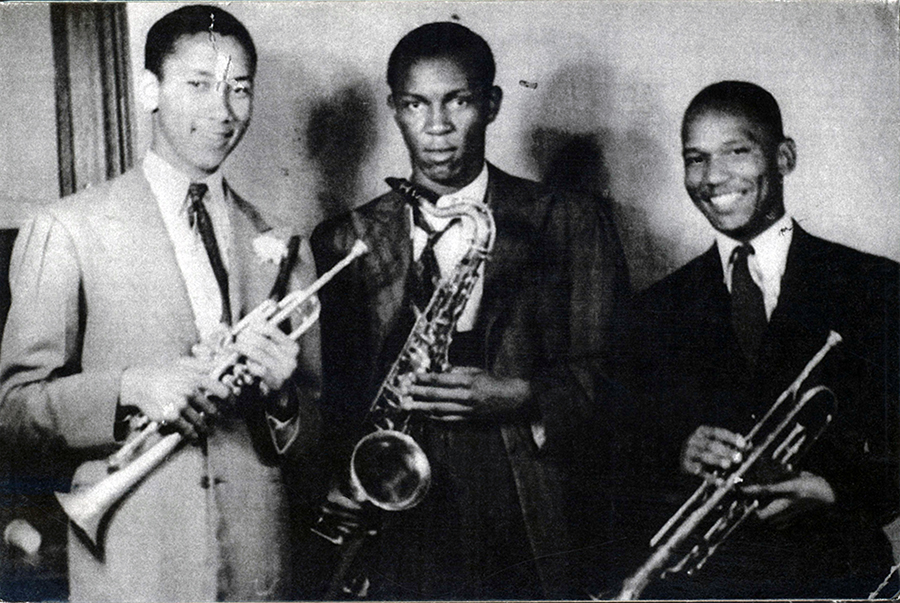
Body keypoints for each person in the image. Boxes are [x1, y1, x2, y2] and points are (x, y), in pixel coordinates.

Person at [0, 5, 321, 601]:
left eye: (239, 89)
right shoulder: (69, 229)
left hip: (258, 569)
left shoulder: (283, 244)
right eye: (199, 84)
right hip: (131, 562)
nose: (221, 112)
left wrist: (282, 396)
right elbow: (12, 412)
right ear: (150, 89)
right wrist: (128, 387)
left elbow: (313, 438)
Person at [309, 21, 629, 600]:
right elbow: (329, 394)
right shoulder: (343, 238)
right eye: (415, 105)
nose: (436, 128)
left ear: (491, 104)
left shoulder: (572, 220)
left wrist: (524, 395)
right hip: (394, 517)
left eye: (458, 101)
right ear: (394, 109)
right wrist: (338, 478)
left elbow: (618, 378)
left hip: (524, 511)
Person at [617, 80, 899, 599]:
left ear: (783, 157)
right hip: (708, 587)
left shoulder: (876, 285)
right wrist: (678, 448)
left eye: (737, 152)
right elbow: (622, 451)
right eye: (695, 159)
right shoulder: (653, 310)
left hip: (841, 574)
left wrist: (833, 489)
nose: (713, 177)